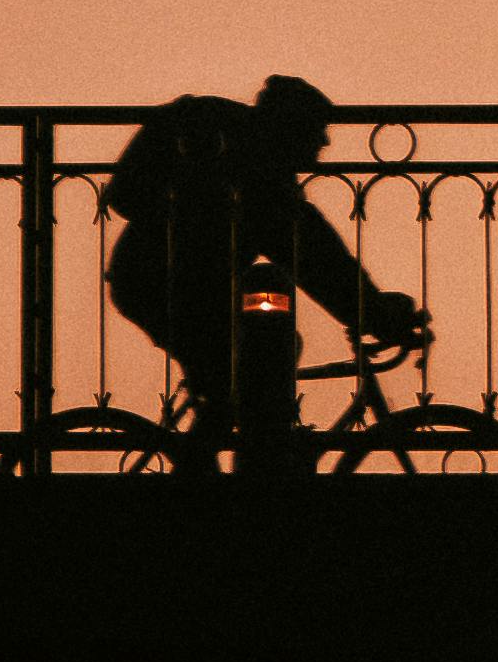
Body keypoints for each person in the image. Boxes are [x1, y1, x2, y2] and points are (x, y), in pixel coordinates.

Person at [100, 76, 427, 464]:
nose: (325, 142)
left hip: (156, 281)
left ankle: (231, 459)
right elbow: (318, 262)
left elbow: (318, 260)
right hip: (160, 286)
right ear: (292, 127)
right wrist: (374, 315)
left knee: (246, 365)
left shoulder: (256, 167)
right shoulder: (262, 183)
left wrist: (369, 310)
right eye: (318, 130)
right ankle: (203, 475)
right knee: (231, 380)